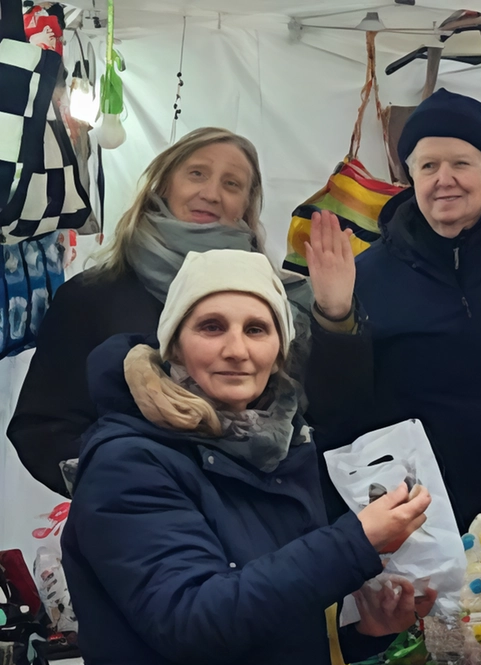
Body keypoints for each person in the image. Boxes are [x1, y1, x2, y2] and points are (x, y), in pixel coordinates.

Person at [61, 249, 434, 665]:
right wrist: (353, 543)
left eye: (257, 329)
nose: (237, 350)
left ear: (279, 347)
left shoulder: (281, 450)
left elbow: (265, 632)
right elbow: (190, 621)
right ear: (174, 345)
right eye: (211, 326)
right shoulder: (129, 462)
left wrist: (360, 632)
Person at [8, 127, 318, 497]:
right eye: (197, 173)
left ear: (245, 207)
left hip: (261, 520)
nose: (211, 193)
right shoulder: (91, 296)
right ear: (163, 184)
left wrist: (336, 314)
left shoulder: (275, 302)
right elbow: (43, 429)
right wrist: (135, 495)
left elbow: (313, 416)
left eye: (232, 184)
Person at [305, 88, 481, 557]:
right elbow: (337, 412)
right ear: (408, 175)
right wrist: (334, 315)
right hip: (421, 516)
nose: (445, 179)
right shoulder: (367, 273)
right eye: (428, 165)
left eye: (462, 163)